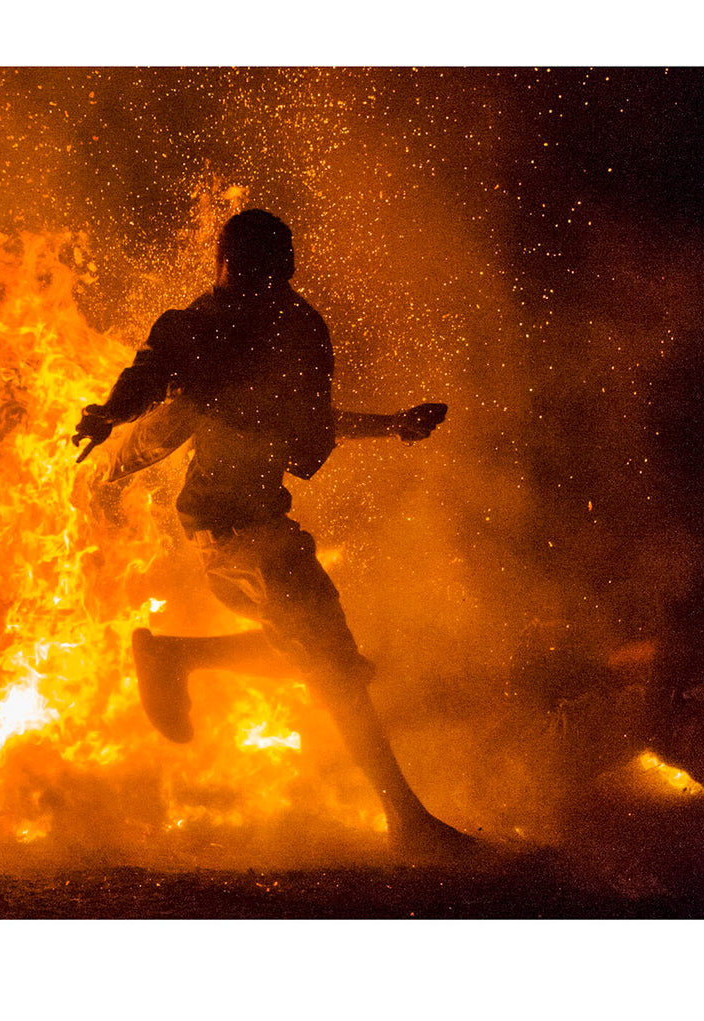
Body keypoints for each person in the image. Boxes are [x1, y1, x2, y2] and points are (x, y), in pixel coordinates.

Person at [72, 209, 473, 859]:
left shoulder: (292, 328)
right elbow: (162, 402)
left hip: (250, 526)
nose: (267, 279)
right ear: (230, 267)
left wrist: (392, 424)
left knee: (327, 662)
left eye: (275, 268)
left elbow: (302, 420)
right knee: (335, 669)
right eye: (256, 267)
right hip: (238, 529)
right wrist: (108, 437)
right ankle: (407, 822)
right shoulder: (211, 327)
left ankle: (177, 657)